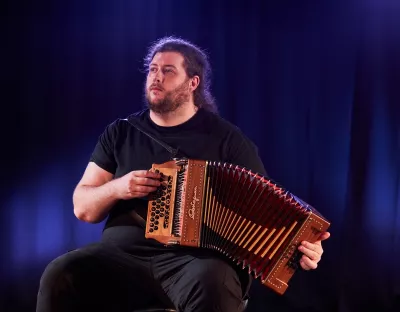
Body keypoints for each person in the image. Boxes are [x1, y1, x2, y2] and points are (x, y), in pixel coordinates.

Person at [36, 36, 330, 312]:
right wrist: (118, 187)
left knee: (215, 280)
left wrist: (303, 246)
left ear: (193, 82)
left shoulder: (226, 139)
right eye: (152, 69)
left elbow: (268, 208)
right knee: (60, 273)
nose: (156, 77)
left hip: (193, 264)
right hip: (122, 259)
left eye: (168, 70)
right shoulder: (121, 132)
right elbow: (82, 207)